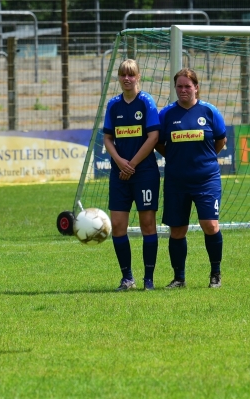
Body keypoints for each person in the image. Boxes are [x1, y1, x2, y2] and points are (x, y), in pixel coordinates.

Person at [155, 68, 227, 289]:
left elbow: (221, 140)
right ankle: (179, 278)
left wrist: (204, 160)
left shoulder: (210, 111)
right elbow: (158, 143)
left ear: (196, 87)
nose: (183, 90)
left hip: (206, 179)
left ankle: (215, 274)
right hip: (176, 181)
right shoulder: (166, 114)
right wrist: (176, 158)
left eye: (188, 86)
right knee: (177, 230)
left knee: (210, 224)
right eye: (179, 86)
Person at [102, 59, 161, 291]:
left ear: (138, 77)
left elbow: (153, 136)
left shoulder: (146, 102)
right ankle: (127, 278)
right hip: (119, 173)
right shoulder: (113, 105)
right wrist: (120, 162)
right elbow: (107, 138)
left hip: (144, 172)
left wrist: (132, 164)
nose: (127, 79)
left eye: (131, 75)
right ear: (119, 77)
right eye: (123, 75)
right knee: (117, 225)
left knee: (148, 224)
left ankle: (148, 279)